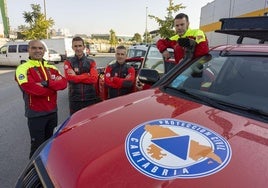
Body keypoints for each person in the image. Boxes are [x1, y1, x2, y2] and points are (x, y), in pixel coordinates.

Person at [15, 40, 67, 159]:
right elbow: (30, 88)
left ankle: (48, 168)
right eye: (34, 48)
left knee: (50, 143)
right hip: (36, 114)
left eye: (40, 48)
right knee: (37, 146)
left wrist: (46, 83)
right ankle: (33, 174)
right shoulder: (23, 68)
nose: (38, 51)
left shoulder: (51, 67)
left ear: (44, 51)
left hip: (52, 112)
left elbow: (63, 83)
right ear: (28, 50)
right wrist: (53, 88)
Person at [64, 36, 99, 115]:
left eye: (80, 46)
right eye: (75, 46)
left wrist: (76, 76)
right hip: (75, 99)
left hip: (90, 98)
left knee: (90, 123)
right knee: (75, 124)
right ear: (72, 47)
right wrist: (87, 75)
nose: (78, 48)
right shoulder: (68, 62)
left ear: (83, 47)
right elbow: (70, 79)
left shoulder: (91, 61)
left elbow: (94, 79)